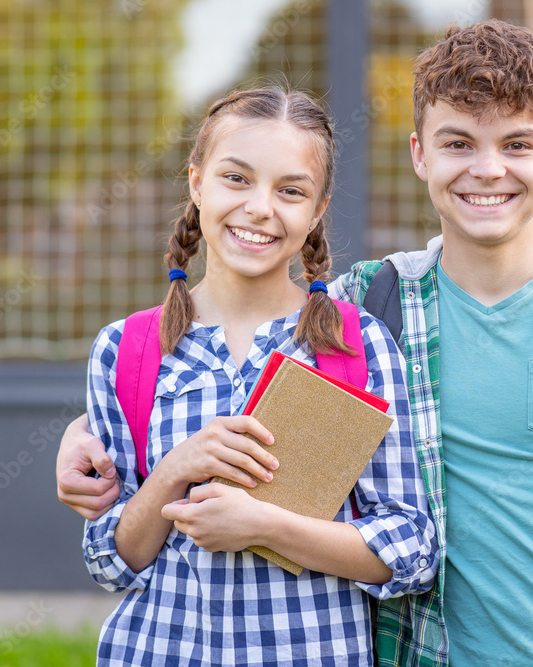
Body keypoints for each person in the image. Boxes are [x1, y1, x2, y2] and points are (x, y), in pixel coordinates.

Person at [59, 21, 533, 667]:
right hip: (434, 648)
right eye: (459, 143)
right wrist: (85, 433)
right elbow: (222, 352)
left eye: (518, 145)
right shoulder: (372, 305)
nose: (488, 169)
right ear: (419, 153)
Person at [79, 87, 437, 667]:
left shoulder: (353, 343)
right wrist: (175, 471)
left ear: (318, 208)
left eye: (290, 190)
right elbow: (110, 560)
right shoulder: (127, 349)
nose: (260, 208)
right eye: (236, 179)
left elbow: (412, 549)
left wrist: (264, 526)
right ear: (198, 184)